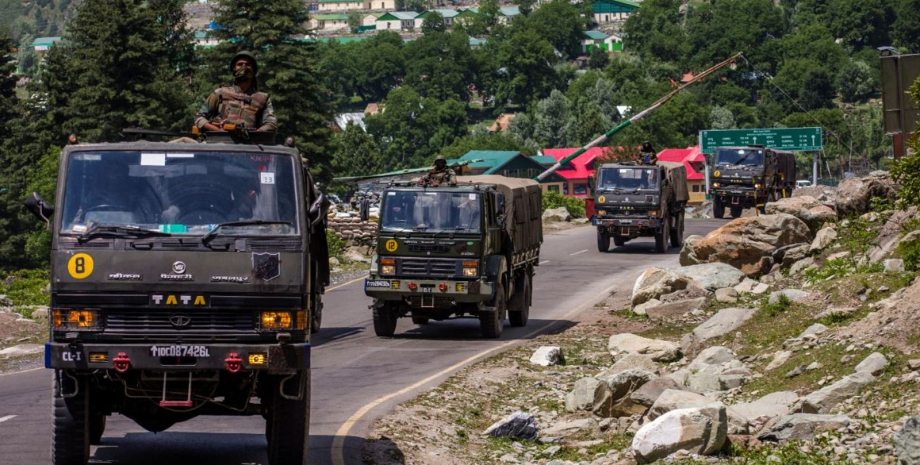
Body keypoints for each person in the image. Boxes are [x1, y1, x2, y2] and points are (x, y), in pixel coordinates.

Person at [195, 51, 278, 134]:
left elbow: (271, 123)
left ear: (253, 70)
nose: (244, 67)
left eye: (248, 64)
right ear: (234, 68)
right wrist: (218, 130)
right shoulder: (220, 93)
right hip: (219, 142)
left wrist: (254, 133)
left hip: (249, 144)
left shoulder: (262, 98)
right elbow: (199, 117)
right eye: (240, 64)